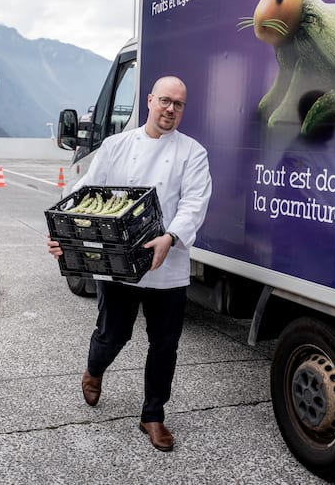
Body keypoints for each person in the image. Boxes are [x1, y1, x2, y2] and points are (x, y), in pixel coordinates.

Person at [47, 75, 212, 453]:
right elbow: (84, 191)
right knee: (113, 334)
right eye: (165, 101)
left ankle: (153, 415)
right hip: (116, 262)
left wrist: (170, 238)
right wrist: (61, 232)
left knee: (165, 344)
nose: (171, 109)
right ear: (150, 100)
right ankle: (95, 369)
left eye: (179, 104)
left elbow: (194, 204)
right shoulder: (117, 145)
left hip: (166, 266)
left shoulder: (192, 153)